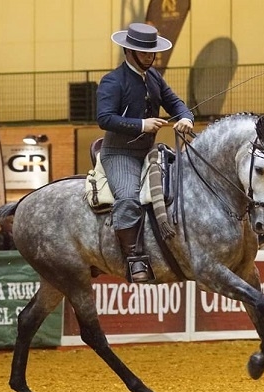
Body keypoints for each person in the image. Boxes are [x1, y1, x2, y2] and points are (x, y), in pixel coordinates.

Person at [96, 22, 194, 283]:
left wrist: (185, 118)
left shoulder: (154, 77)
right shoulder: (112, 80)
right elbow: (104, 118)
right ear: (129, 51)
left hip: (149, 150)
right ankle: (134, 259)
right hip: (119, 153)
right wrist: (142, 124)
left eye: (152, 53)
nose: (150, 57)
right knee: (127, 198)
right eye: (145, 53)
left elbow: (174, 102)